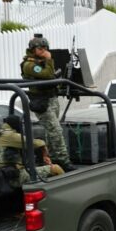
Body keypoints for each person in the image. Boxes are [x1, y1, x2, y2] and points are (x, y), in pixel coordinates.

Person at [20, 36, 75, 172]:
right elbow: (47, 75)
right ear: (33, 49)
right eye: (40, 48)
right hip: (41, 101)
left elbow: (50, 75)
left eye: (45, 48)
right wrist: (49, 59)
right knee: (56, 131)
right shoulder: (29, 64)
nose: (44, 51)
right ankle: (63, 160)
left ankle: (53, 158)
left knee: (51, 133)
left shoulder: (41, 61)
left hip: (51, 99)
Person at [0, 115, 64, 189]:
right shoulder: (9, 136)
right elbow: (35, 143)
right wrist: (44, 149)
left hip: (2, 175)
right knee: (56, 168)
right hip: (14, 176)